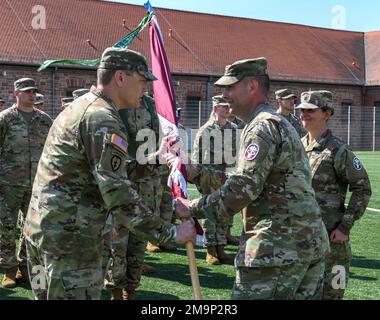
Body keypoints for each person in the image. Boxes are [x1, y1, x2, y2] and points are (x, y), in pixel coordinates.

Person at [23, 47, 195, 300]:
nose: (145, 89)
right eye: (141, 81)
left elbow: (102, 171)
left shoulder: (84, 107)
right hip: (70, 244)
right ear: (121, 78)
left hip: (45, 233)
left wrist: (153, 160)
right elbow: (119, 196)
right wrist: (170, 233)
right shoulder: (102, 118)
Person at [173, 58, 330, 300]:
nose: (224, 95)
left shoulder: (261, 127)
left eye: (229, 88)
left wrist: (191, 208)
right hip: (306, 242)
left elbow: (243, 189)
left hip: (276, 248)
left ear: (252, 86)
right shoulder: (275, 123)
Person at [296, 90, 372, 300]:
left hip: (331, 242)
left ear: (327, 113)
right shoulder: (297, 147)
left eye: (311, 110)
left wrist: (344, 226)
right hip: (299, 239)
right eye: (302, 110)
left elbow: (362, 188)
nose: (304, 114)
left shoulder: (338, 151)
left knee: (331, 296)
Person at [104, 94, 175, 300]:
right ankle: (116, 291)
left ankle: (130, 290)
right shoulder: (115, 103)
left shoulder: (155, 106)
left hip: (148, 185)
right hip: (122, 184)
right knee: (117, 244)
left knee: (139, 242)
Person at [0, 78, 52, 288]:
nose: (32, 95)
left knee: (34, 228)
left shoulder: (45, 120)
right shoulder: (5, 119)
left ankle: (25, 266)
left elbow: (52, 152)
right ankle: (9, 270)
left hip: (37, 184)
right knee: (7, 227)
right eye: (27, 92)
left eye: (34, 92)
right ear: (17, 93)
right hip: (8, 183)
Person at [191, 95, 237, 265]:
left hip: (227, 176)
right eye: (223, 106)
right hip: (209, 176)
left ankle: (221, 248)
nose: (227, 109)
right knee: (210, 213)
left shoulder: (233, 128)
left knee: (225, 212)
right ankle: (211, 250)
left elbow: (235, 156)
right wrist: (200, 179)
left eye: (228, 106)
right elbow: (196, 158)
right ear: (215, 108)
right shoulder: (206, 130)